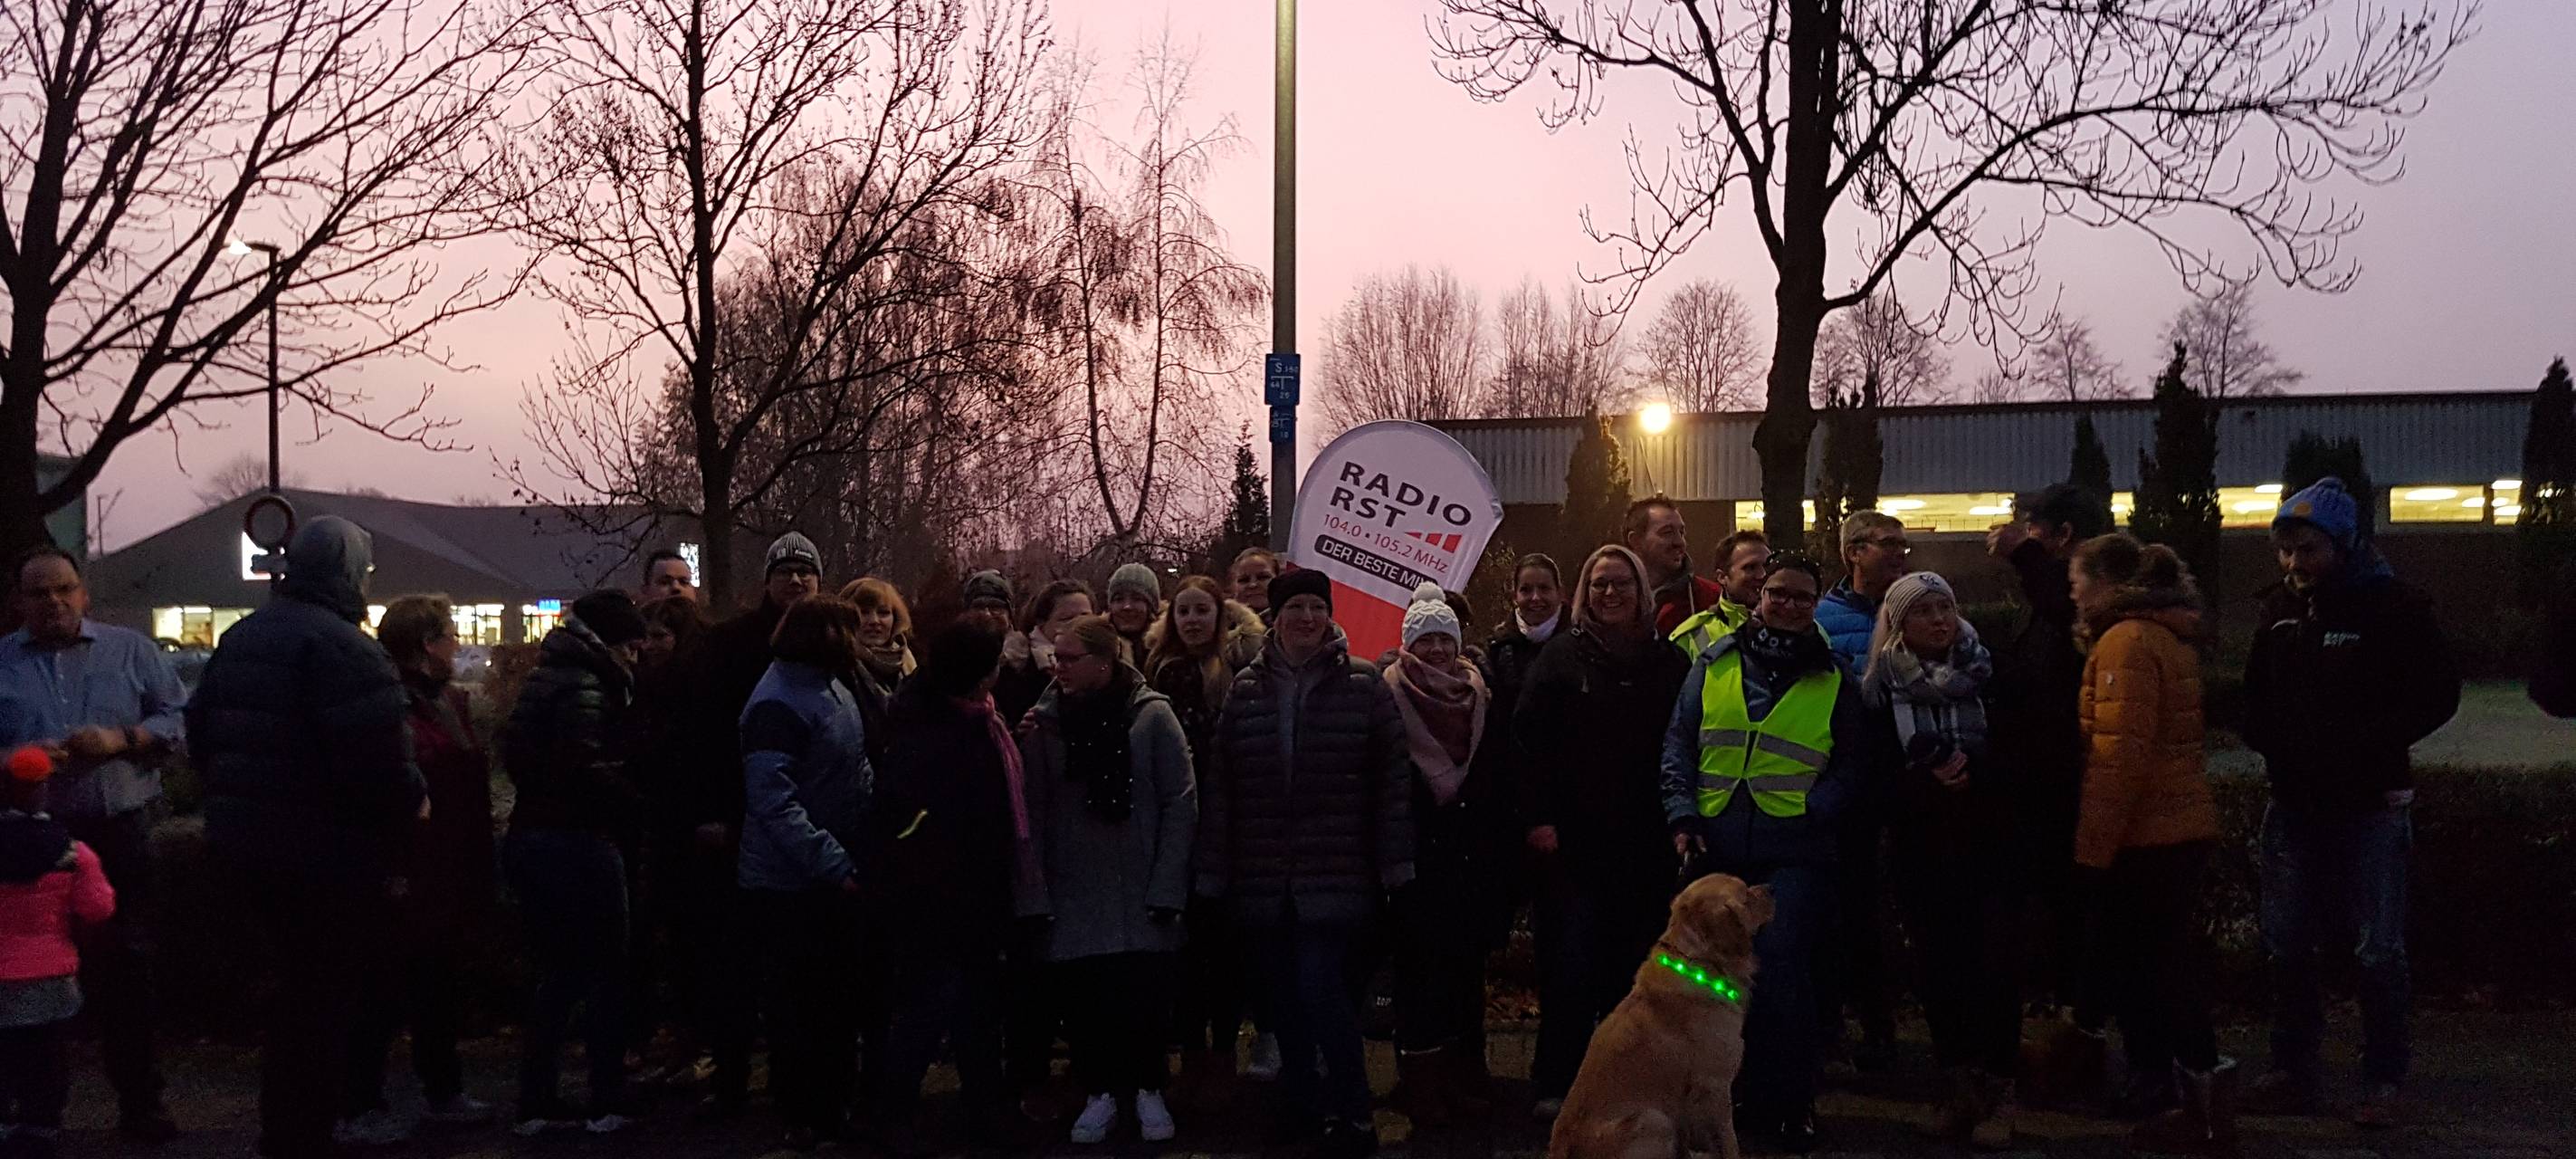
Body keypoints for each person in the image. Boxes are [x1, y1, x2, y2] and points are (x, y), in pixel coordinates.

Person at [191, 517, 425, 1159]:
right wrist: (411, 805)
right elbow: (377, 764)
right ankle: (311, 1130)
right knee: (325, 1001)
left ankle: (285, 1128)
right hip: (325, 856)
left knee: (293, 996)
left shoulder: (242, 637)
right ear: (352, 572)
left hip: (248, 848)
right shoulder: (347, 648)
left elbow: (202, 734)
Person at [2238, 477, 2460, 1127]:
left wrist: (2367, 744)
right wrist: (2269, 738)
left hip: (2370, 806)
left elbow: (2436, 694)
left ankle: (2384, 1078)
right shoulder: (2276, 612)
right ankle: (2292, 1071)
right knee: (2287, 943)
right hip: (2295, 803)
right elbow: (2256, 695)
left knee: (2377, 949)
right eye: (2285, 550)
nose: (2293, 564)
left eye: (2307, 549)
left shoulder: (2393, 609)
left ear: (2343, 544)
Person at [1662, 551, 1878, 1151]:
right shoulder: (1714, 661)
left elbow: (1854, 763)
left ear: (1815, 606)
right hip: (1718, 845)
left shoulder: (1833, 677)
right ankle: (1720, 1096)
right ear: (1759, 597)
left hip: (1795, 851)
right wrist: (1682, 814)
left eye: (1801, 598)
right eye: (1777, 593)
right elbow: (1680, 743)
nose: (1786, 605)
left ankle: (1786, 1102)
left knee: (1780, 969)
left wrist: (1820, 809)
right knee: (1713, 978)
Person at [1197, 568, 1412, 1158]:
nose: (1307, 618)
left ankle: (1353, 1110)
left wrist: (1395, 868)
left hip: (1337, 873)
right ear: (1276, 615)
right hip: (1265, 877)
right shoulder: (1246, 690)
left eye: (1317, 606)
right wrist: (1214, 873)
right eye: (1295, 606)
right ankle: (1303, 1105)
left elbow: (1391, 783)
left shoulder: (1365, 684)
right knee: (1281, 1000)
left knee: (1323, 992)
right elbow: (1224, 787)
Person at [0, 548, 183, 1144]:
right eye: (38, 593)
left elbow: (180, 719)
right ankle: (31, 1110)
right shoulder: (2, 662)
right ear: (19, 602)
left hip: (116, 830)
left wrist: (122, 738)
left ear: (84, 594)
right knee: (23, 975)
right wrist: (18, 760)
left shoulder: (131, 651)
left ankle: (140, 1103)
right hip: (27, 843)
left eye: (63, 590)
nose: (52, 602)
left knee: (128, 968)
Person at [1515, 545, 1690, 1118]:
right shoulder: (1560, 659)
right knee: (1570, 968)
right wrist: (1539, 816)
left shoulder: (1669, 663)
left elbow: (1686, 743)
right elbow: (1529, 744)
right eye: (1598, 585)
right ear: (1584, 594)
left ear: (1641, 591)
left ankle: (1627, 1082)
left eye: (1620, 584)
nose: (1609, 594)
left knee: (1632, 973)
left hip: (1645, 844)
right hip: (1573, 846)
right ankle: (1558, 1081)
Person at [2065, 533, 2227, 1153]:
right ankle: (2180, 1090)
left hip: (2147, 835)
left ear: (2105, 582)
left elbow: (2117, 760)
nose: (2072, 592)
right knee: (2158, 965)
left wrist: (2093, 851)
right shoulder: (2160, 634)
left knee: (2151, 970)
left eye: (2077, 580)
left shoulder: (2125, 642)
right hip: (2175, 827)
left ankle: (2179, 1093)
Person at [1016, 615, 1196, 1145]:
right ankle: (1100, 1090)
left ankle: (1147, 1087)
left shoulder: (1152, 716)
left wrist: (1167, 884)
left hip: (1139, 880)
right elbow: (1034, 809)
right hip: (1076, 885)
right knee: (1087, 999)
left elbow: (1180, 802)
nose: (1058, 666)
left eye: (1070, 658)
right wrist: (1036, 891)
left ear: (1104, 661)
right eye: (1056, 656)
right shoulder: (1046, 724)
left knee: (1143, 996)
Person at [1858, 573, 2018, 1146]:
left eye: (1945, 606)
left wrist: (1975, 773)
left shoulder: (1992, 675)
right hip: (1922, 849)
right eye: (1923, 610)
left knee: (1996, 970)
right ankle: (1959, 1089)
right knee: (1939, 971)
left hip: (1992, 846)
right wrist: (1924, 785)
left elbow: (2026, 751)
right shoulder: (1878, 689)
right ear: (1899, 623)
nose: (1938, 619)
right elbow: (1869, 777)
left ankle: (2001, 1094)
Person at [673, 532, 822, 1113]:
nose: (795, 581)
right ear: (766, 581)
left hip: (805, 825)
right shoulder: (729, 643)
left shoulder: (832, 641)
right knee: (735, 960)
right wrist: (708, 813)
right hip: (736, 823)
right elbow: (700, 735)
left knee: (795, 966)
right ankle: (732, 1077)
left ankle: (793, 1079)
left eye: (805, 572)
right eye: (785, 571)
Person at [339, 597, 495, 1145]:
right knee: (387, 989)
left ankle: (434, 1091)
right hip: (413, 868)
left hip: (440, 867)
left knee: (432, 985)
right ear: (428, 645)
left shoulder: (437, 701)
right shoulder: (402, 706)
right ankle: (366, 1101)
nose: (457, 644)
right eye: (449, 635)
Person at [867, 623, 1026, 1158]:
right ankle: (896, 1114)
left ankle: (981, 1108)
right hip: (938, 898)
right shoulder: (938, 733)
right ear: (977, 674)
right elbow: (918, 822)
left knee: (976, 1009)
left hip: (970, 893)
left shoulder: (965, 718)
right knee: (928, 1008)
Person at [501, 590, 650, 1137]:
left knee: (558, 973)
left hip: (536, 838)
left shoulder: (550, 675)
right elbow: (582, 765)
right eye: (631, 646)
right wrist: (638, 801)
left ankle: (537, 1100)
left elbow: (522, 756)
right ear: (611, 641)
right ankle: (607, 1097)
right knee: (607, 969)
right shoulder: (587, 683)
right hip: (580, 840)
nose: (635, 658)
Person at [739, 597, 876, 1148]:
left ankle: (832, 1104)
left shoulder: (827, 685)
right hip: (788, 885)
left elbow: (852, 764)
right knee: (801, 1007)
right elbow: (775, 804)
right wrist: (834, 861)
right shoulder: (779, 704)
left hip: (826, 872)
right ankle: (804, 1113)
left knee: (833, 1001)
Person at [1380, 583, 1503, 1128]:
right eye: (1425, 639)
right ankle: (1419, 1088)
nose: (1435, 650)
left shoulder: (1480, 694)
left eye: (1444, 639)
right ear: (1409, 643)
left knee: (1461, 973)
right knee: (1415, 974)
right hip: (1411, 859)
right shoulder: (1385, 696)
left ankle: (1459, 1080)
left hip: (1467, 860)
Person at [1139, 577, 1260, 1107]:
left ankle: (1222, 1055)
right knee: (1185, 954)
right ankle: (1190, 1055)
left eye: (1201, 611)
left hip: (1231, 827)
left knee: (1228, 951)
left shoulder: (1235, 675)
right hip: (1175, 829)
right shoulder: (1156, 675)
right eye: (1183, 611)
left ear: (1218, 617)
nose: (1191, 621)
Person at [1986, 484, 2106, 1020]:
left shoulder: (2089, 597)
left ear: (2062, 536)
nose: (2022, 536)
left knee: (2066, 907)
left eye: (2033, 528)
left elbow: (2063, 612)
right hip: (2040, 780)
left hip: (2065, 782)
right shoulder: (2045, 597)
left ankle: (2073, 1020)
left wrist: (2026, 555)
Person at [1814, 510, 1909, 1069]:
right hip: (1853, 796)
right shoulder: (1824, 622)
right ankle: (1846, 1031)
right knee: (1849, 916)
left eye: (1903, 545)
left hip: (1912, 790)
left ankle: (1884, 1027)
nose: (1899, 553)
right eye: (1887, 544)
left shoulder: (1919, 609)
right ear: (1854, 552)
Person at [0, 746, 116, 1159]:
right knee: (45, 1055)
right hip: (50, 972)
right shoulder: (72, 851)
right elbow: (97, 908)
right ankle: (41, 1127)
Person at [1622, 498, 1723, 637]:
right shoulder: (1611, 599)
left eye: (1681, 533)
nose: (1679, 542)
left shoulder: (1711, 597)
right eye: (1667, 533)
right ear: (1636, 541)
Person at [997, 580, 1092, 726]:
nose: (1078, 625)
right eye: (1067, 619)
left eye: (1086, 618)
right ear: (1042, 623)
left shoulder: (1106, 664)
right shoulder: (1017, 669)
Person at [842, 578, 917, 755]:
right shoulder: (839, 665)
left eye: (883, 613)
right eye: (864, 612)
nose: (874, 621)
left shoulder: (908, 662)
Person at [1669, 530, 1770, 657]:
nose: (1762, 575)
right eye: (1750, 567)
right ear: (1722, 577)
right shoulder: (1691, 636)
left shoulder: (1792, 627)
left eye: (1767, 567)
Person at [1104, 563, 1162, 665]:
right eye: (1119, 599)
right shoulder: (1096, 650)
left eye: (1137, 599)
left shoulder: (1169, 652)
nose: (1127, 607)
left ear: (1151, 608)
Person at [1229, 549, 1280, 622]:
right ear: (1233, 587)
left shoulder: (1295, 623)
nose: (1253, 585)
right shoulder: (1218, 626)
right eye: (1244, 580)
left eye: (1263, 577)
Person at [963, 570, 1017, 636]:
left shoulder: (1026, 644)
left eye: (995, 606)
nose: (987, 614)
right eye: (979, 607)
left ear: (1010, 615)